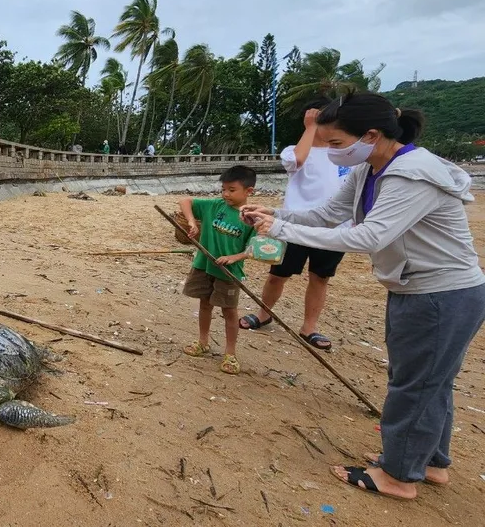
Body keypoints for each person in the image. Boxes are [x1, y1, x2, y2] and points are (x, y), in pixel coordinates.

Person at [242, 92, 485, 500]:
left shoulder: (411, 175)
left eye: (337, 144)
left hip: (442, 293)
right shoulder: (368, 168)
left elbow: (370, 236)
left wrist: (281, 232)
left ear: (370, 135)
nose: (333, 153)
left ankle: (399, 475)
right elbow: (324, 214)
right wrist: (276, 215)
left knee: (416, 384)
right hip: (416, 288)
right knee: (428, 381)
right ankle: (427, 461)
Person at [239, 98, 351, 350]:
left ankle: (309, 327)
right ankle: (263, 313)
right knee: (278, 274)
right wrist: (311, 127)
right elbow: (296, 162)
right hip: (292, 225)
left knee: (320, 277)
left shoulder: (346, 154)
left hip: (333, 228)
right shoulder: (296, 149)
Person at [177, 165, 257, 375]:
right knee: (205, 304)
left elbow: (254, 248)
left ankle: (230, 353)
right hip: (204, 265)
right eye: (223, 189)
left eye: (232, 190)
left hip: (229, 273)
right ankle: (203, 342)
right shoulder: (214, 206)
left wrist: (234, 257)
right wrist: (193, 221)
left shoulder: (251, 218)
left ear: (249, 191)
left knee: (229, 311)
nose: (226, 194)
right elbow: (185, 201)